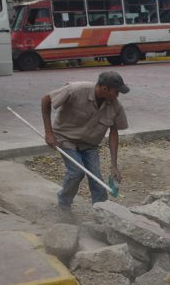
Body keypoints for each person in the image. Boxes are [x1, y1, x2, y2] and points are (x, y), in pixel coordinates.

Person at [41, 71, 129, 212]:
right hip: (65, 138)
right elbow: (46, 100)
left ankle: (101, 210)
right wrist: (48, 132)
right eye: (116, 92)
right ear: (105, 89)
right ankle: (64, 204)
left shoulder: (115, 106)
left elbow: (114, 133)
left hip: (89, 144)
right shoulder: (75, 90)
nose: (117, 96)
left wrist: (114, 165)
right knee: (76, 172)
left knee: (96, 177)